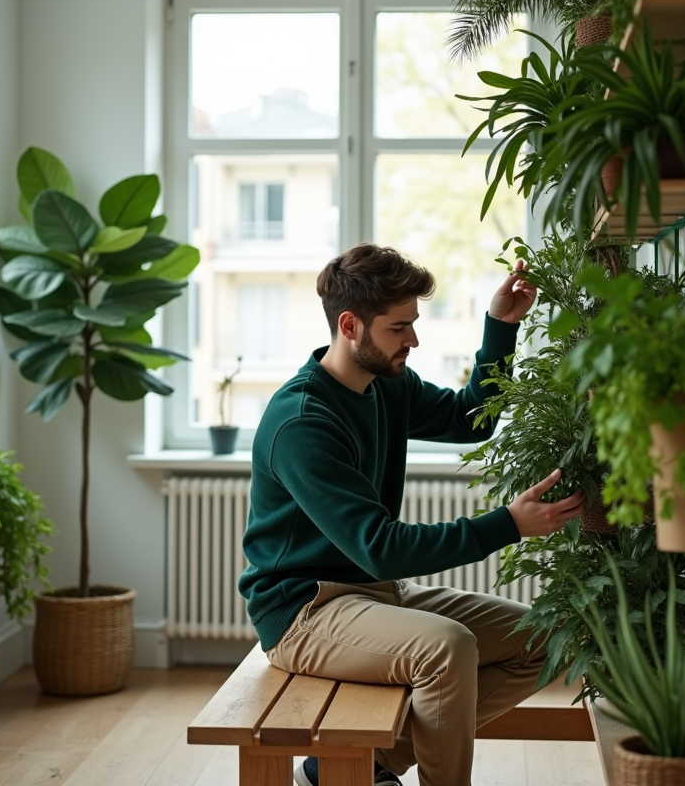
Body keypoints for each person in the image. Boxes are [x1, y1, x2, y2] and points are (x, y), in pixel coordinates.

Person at [237, 243, 586, 786]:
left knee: (544, 636)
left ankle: (365, 766)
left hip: (371, 592)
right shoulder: (302, 422)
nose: (414, 340)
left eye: (413, 324)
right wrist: (507, 525)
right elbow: (380, 545)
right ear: (350, 325)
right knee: (448, 649)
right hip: (304, 611)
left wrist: (500, 326)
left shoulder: (385, 386)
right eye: (399, 328)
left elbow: (471, 419)